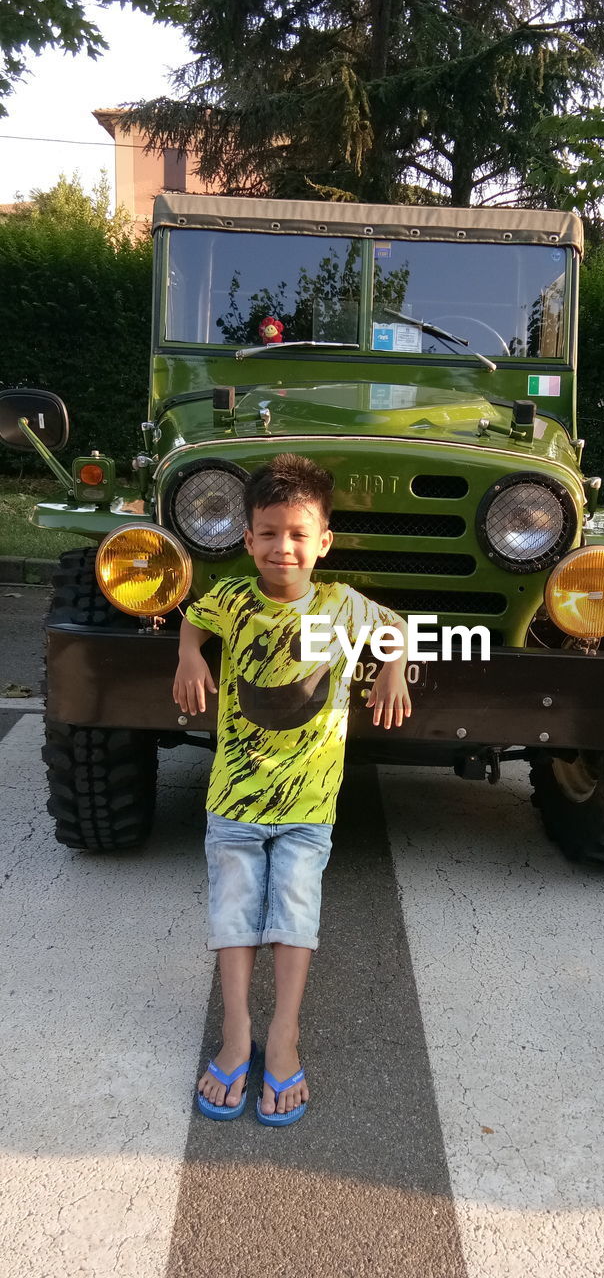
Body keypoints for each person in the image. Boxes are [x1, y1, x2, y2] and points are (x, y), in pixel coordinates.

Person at [173, 452, 411, 1127]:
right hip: (234, 803)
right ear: (247, 539)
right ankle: (237, 1031)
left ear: (324, 542)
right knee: (234, 916)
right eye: (270, 533)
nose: (284, 547)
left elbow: (395, 630)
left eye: (299, 534)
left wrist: (391, 670)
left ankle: (284, 1033)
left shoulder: (341, 607)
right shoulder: (233, 599)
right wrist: (189, 654)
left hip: (309, 808)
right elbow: (195, 615)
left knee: (294, 919)